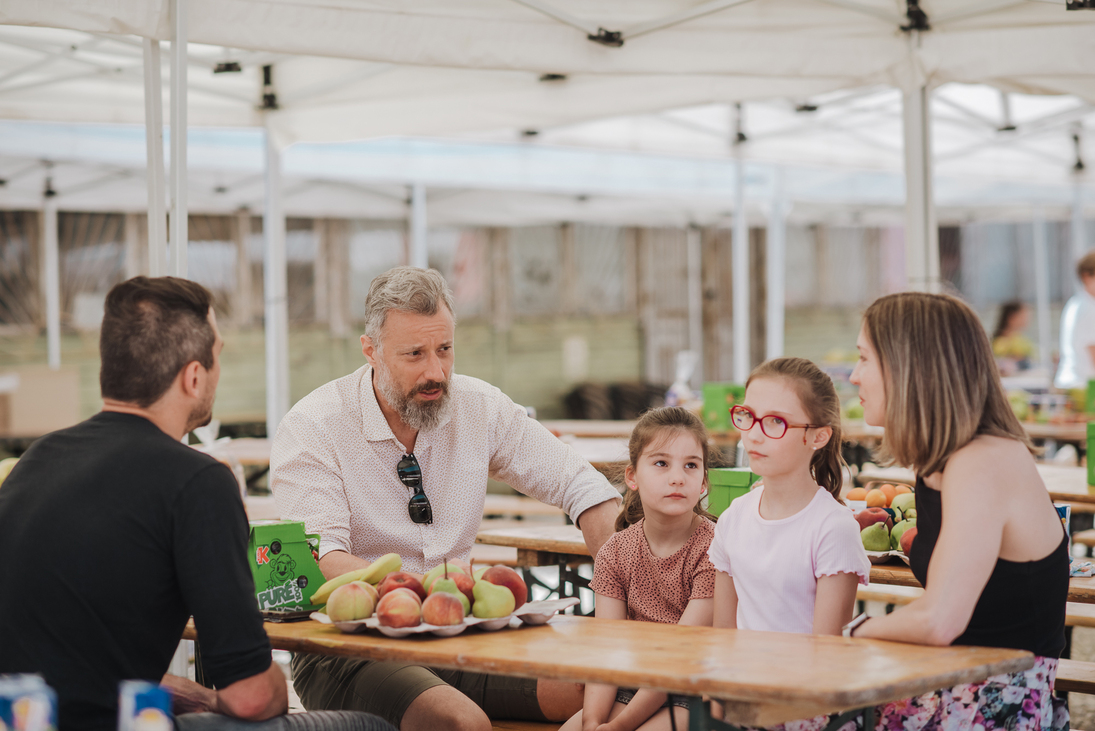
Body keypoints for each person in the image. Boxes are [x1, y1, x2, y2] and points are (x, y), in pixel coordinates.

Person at [0, 277, 391, 731]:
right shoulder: (198, 482)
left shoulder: (37, 460)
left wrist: (197, 695)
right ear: (193, 376)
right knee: (371, 726)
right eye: (218, 353)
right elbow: (252, 700)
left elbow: (75, 659)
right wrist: (261, 692)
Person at [270, 266, 622, 731]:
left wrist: (626, 594)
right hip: (350, 648)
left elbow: (585, 488)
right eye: (414, 354)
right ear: (370, 350)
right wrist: (441, 591)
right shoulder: (314, 426)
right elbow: (323, 559)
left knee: (602, 691)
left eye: (445, 349)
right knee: (460, 723)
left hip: (464, 634)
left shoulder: (479, 406)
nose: (435, 372)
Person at [848, 292, 1069, 731]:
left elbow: (938, 620)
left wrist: (848, 632)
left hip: (991, 704)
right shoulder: (947, 462)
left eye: (864, 359)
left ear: (908, 367)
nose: (854, 376)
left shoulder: (980, 461)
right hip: (962, 686)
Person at [560, 407, 716, 731]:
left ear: (703, 481)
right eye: (661, 463)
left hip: (694, 689)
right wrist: (593, 720)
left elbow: (679, 657)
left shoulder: (715, 548)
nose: (677, 477)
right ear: (632, 476)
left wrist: (620, 726)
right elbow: (608, 649)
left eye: (691, 465)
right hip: (629, 684)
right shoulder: (616, 552)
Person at [709, 357, 869, 638]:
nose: (754, 436)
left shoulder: (833, 528)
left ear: (818, 437)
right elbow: (723, 636)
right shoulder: (733, 518)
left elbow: (827, 650)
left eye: (775, 421)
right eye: (747, 415)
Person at [1055, 251, 1095, 393]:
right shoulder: (1088, 308)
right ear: (1087, 277)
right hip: (1083, 386)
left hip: (1071, 382)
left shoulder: (1076, 303)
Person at [991, 300, 1034, 374]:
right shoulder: (998, 342)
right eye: (1023, 316)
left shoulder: (1024, 341)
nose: (1027, 320)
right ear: (1011, 317)